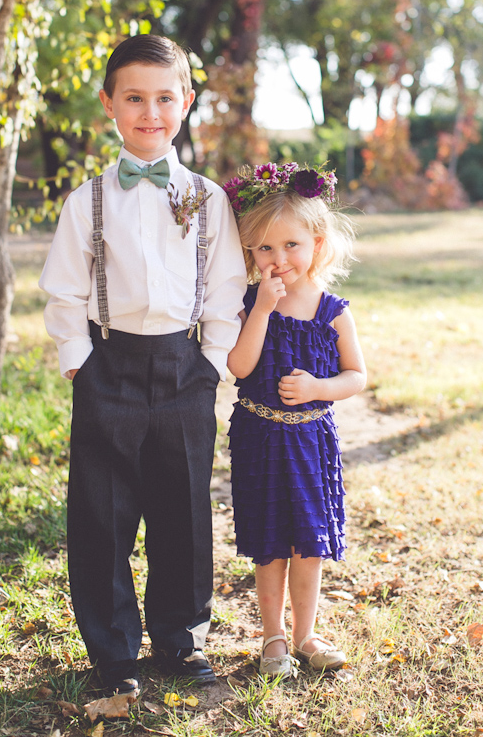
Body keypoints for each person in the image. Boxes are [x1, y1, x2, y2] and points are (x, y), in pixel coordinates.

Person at [39, 35, 246, 697]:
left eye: (164, 97)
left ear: (185, 103)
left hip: (185, 366)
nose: (150, 112)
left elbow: (223, 288)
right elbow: (64, 290)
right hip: (110, 366)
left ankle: (181, 642)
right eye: (134, 98)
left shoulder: (209, 199)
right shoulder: (88, 201)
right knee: (102, 514)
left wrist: (212, 362)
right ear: (110, 105)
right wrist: (79, 362)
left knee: (182, 507)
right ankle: (114, 650)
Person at [223, 162, 366, 680]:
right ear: (249, 253)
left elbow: (356, 375)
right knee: (270, 543)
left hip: (310, 441)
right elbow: (238, 367)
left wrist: (318, 389)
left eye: (290, 246)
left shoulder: (332, 310)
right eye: (264, 248)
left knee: (308, 543)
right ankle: (273, 639)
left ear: (317, 244)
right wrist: (261, 310)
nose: (278, 259)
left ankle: (306, 634)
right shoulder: (246, 303)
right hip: (260, 436)